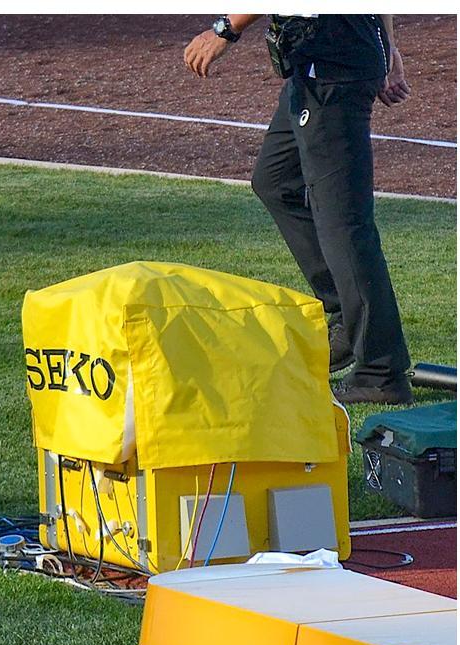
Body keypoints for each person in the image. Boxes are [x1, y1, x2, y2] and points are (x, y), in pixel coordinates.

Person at [184, 14, 414, 405]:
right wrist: (386, 45)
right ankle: (346, 315)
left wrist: (226, 29)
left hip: (332, 70)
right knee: (276, 180)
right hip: (318, 66)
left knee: (345, 224)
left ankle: (381, 370)